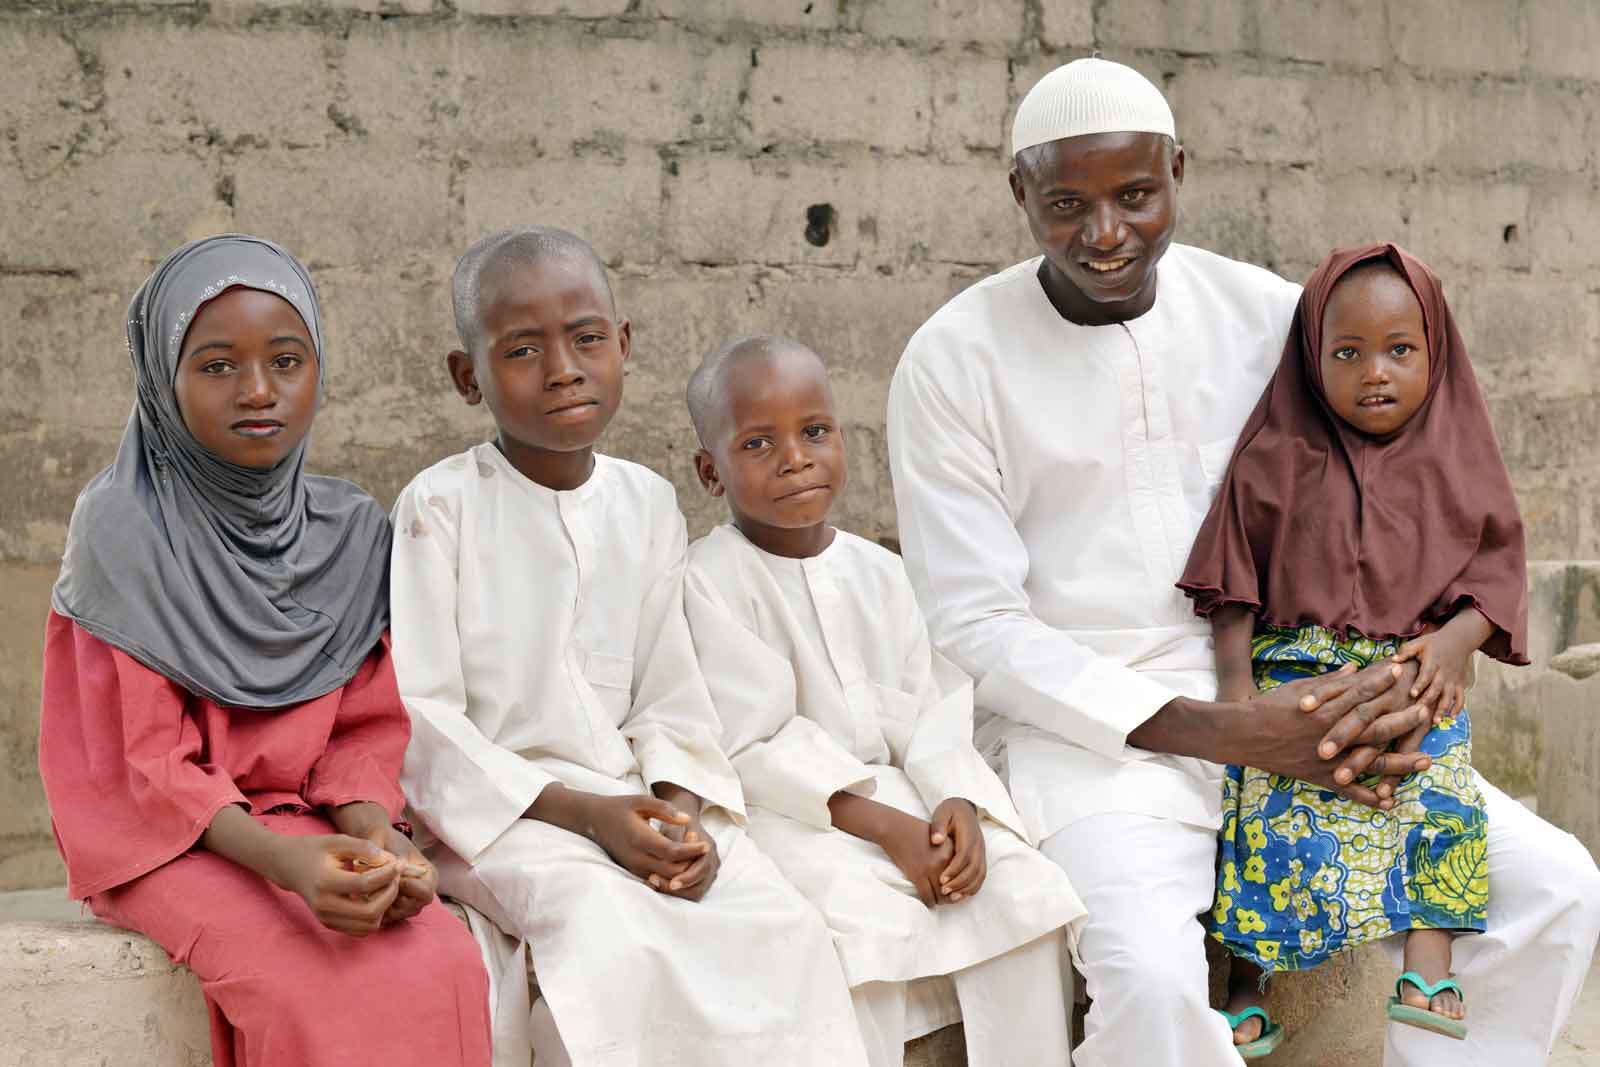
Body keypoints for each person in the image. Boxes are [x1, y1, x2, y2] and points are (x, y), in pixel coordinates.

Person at [887, 57, 1600, 1067]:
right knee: (1150, 982)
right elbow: (974, 622)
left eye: (1136, 195)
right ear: (1018, 195)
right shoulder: (953, 358)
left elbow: (1403, 487)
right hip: (1097, 740)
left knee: (1557, 889)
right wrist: (1227, 730)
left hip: (1311, 698)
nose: (1105, 232)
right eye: (1065, 203)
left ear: (1177, 171)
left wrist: (1420, 663)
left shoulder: (1268, 314)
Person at [388, 227, 868, 1067]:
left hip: (635, 801)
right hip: (511, 822)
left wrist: (679, 811)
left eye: (585, 339)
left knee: (779, 924)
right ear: (469, 378)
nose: (563, 369)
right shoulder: (439, 508)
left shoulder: (646, 505)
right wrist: (586, 814)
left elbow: (670, 695)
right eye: (522, 349)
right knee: (609, 934)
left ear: (624, 345)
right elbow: (424, 721)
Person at [37, 234, 493, 1067]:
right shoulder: (125, 530)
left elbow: (363, 728)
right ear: (161, 379)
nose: (258, 391)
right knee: (298, 982)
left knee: (445, 960)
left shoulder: (350, 531)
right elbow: (147, 764)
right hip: (171, 841)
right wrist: (285, 861)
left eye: (287, 360)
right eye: (215, 366)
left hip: (311, 827)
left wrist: (376, 838)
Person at [682, 336, 1086, 1067]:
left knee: (1022, 893)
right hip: (794, 816)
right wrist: (886, 828)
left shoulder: (880, 570)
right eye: (758, 443)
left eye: (814, 431)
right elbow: (751, 746)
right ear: (711, 472)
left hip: (905, 796)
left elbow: (930, 711)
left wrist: (957, 802)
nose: (795, 457)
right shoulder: (709, 581)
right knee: (856, 926)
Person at [1181, 244, 1527, 1051]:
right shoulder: (1275, 454)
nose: (1376, 372)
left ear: (1434, 354)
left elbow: (1498, 570)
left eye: (1400, 351)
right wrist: (1237, 691)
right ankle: (1246, 980)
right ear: (1311, 357)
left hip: (1413, 672)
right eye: (1348, 352)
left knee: (1440, 789)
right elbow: (1230, 578)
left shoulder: (1459, 458)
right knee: (1259, 810)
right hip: (1293, 671)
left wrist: (1454, 643)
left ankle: (1427, 961)